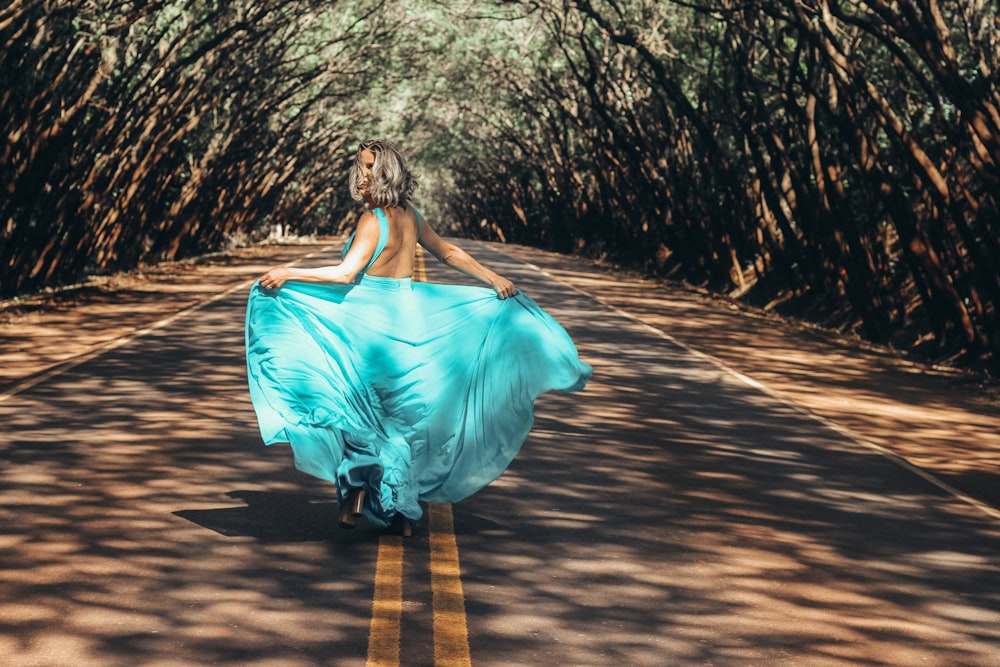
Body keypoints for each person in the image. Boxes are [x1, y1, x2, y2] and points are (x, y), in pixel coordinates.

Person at [245, 139, 592, 536]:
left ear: (386, 173)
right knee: (399, 423)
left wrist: (290, 272)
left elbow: (345, 273)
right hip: (407, 328)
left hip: (367, 330)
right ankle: (401, 513)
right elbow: (447, 253)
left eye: (369, 168)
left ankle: (359, 493)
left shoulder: (372, 220)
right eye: (359, 167)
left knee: (354, 412)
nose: (360, 177)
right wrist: (492, 278)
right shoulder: (410, 216)